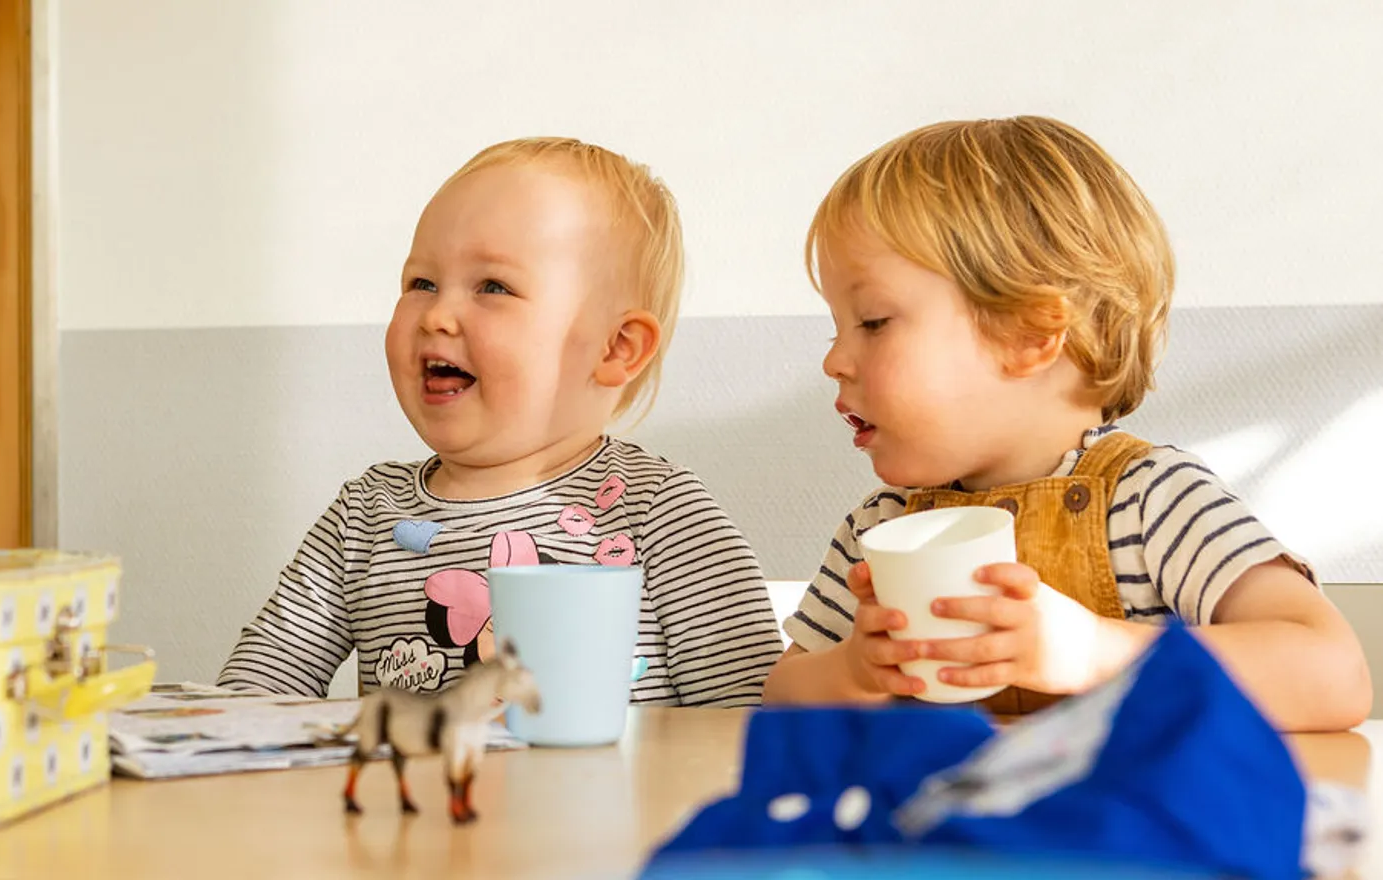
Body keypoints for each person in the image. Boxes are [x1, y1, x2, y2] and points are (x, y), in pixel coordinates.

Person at [764, 116, 1371, 732]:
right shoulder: (883, 526)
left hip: (1124, 825)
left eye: (871, 322)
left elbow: (1333, 675)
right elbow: (782, 695)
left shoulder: (1150, 500)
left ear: (1029, 335)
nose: (833, 361)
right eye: (834, 328)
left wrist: (1096, 652)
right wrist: (855, 672)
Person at [219, 137, 783, 707]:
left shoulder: (659, 510)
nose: (437, 315)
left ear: (616, 349)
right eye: (421, 283)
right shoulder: (366, 515)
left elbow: (748, 724)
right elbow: (253, 696)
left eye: (493, 287)